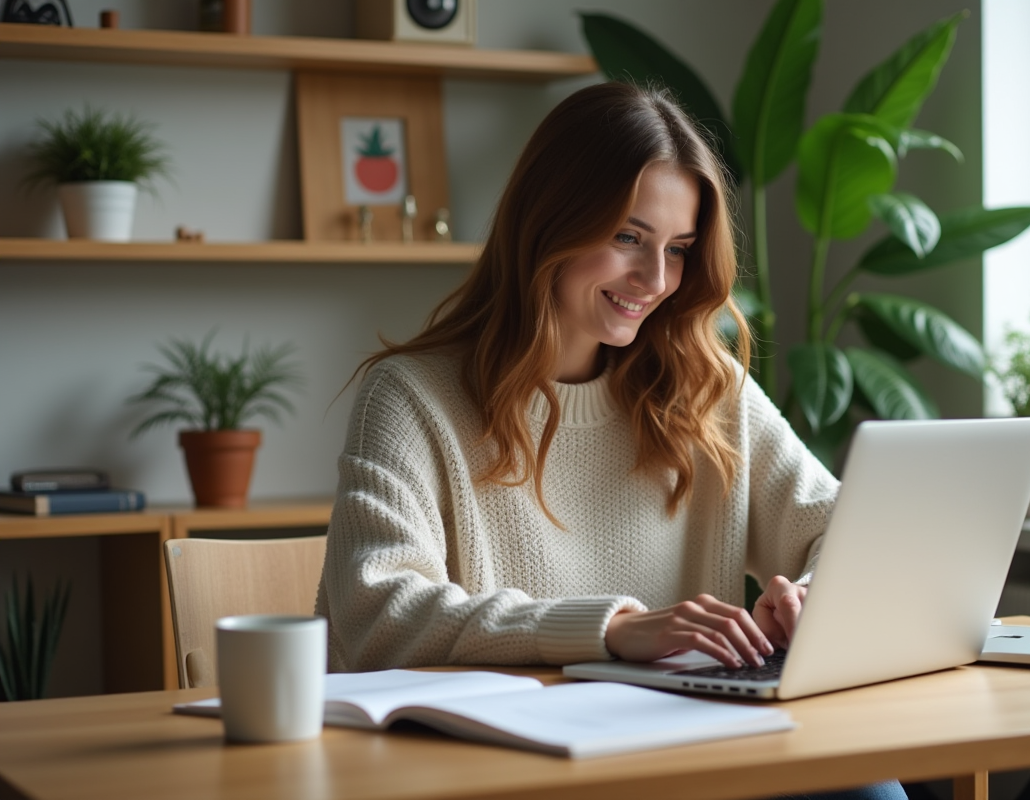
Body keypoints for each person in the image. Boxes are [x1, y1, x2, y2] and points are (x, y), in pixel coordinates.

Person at [316, 81, 907, 800]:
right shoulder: (412, 398)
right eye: (627, 237)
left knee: (864, 784)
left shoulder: (703, 387)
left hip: (687, 760)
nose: (655, 279)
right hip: (494, 773)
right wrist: (612, 628)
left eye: (679, 248)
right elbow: (375, 614)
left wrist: (810, 597)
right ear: (549, 222)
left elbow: (847, 527)